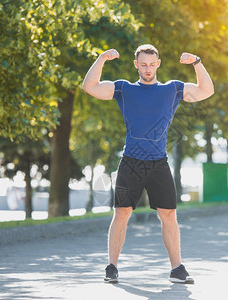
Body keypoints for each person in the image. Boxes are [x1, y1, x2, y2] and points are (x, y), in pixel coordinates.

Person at [82, 44, 214, 284]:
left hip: (158, 162)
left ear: (158, 64)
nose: (148, 68)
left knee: (169, 215)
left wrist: (197, 62)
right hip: (131, 162)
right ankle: (111, 267)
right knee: (121, 213)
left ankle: (177, 269)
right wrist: (101, 59)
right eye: (143, 64)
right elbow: (89, 86)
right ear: (136, 65)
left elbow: (206, 90)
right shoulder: (124, 88)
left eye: (152, 64)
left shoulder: (172, 89)